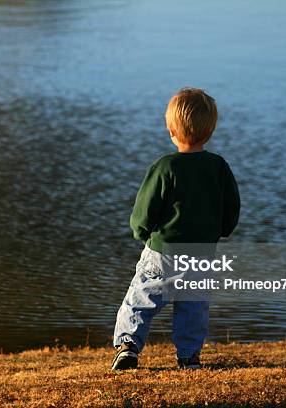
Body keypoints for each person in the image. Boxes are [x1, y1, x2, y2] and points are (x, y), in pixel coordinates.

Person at [111, 87, 240, 370]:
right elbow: (231, 207)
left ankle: (128, 345)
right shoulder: (218, 166)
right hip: (201, 252)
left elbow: (144, 210)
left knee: (142, 297)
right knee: (194, 306)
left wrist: (142, 232)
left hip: (162, 250)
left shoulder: (165, 166)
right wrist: (222, 230)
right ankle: (189, 356)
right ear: (210, 130)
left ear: (171, 129)